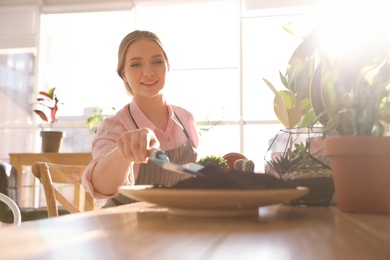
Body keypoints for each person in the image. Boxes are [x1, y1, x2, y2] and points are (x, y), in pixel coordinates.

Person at [82, 30, 199, 207]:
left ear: (167, 66)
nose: (148, 72)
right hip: (127, 227)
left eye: (157, 62)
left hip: (179, 221)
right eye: (136, 65)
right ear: (123, 74)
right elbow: (100, 186)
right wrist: (124, 152)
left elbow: (194, 176)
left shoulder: (185, 118)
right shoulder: (115, 126)